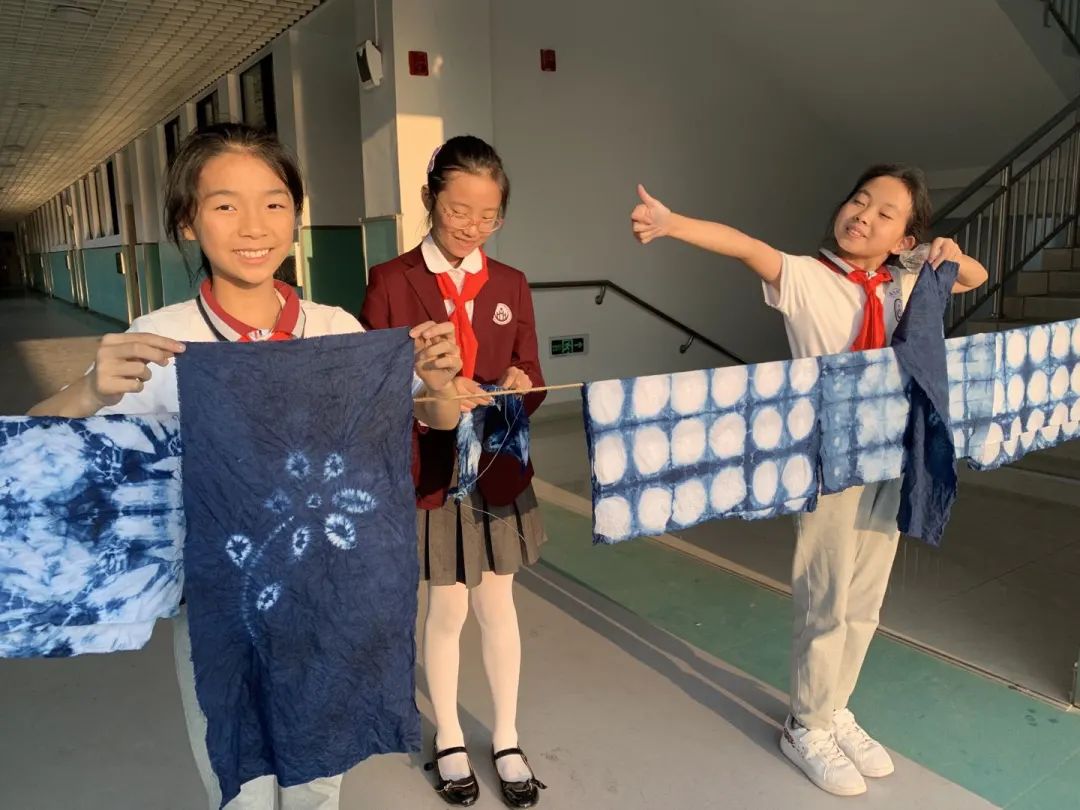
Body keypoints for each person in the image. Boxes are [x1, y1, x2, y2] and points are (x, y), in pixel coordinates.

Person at [29, 122, 463, 809]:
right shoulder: (163, 340)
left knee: (318, 782)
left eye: (274, 203)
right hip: (221, 608)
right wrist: (89, 391)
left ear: (296, 216)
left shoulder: (336, 331)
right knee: (240, 785)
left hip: (331, 601)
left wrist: (440, 383)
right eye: (225, 205)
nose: (254, 226)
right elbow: (31, 458)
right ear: (188, 221)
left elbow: (438, 419)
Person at [630, 164, 988, 797]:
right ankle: (806, 725)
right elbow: (746, 246)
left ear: (905, 239)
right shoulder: (806, 277)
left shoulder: (905, 283)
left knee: (865, 599)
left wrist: (942, 252)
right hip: (829, 459)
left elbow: (974, 277)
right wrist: (672, 223)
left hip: (891, 455)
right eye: (859, 200)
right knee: (826, 596)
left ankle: (834, 707)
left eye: (885, 214)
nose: (863, 216)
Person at [361, 135, 548, 808]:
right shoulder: (391, 280)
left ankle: (507, 737)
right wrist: (432, 391)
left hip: (498, 466)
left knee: (498, 605)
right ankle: (448, 736)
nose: (472, 226)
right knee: (446, 608)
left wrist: (521, 384)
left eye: (488, 215)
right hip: (434, 472)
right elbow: (374, 380)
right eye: (458, 209)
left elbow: (534, 374)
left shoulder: (511, 283)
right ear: (429, 200)